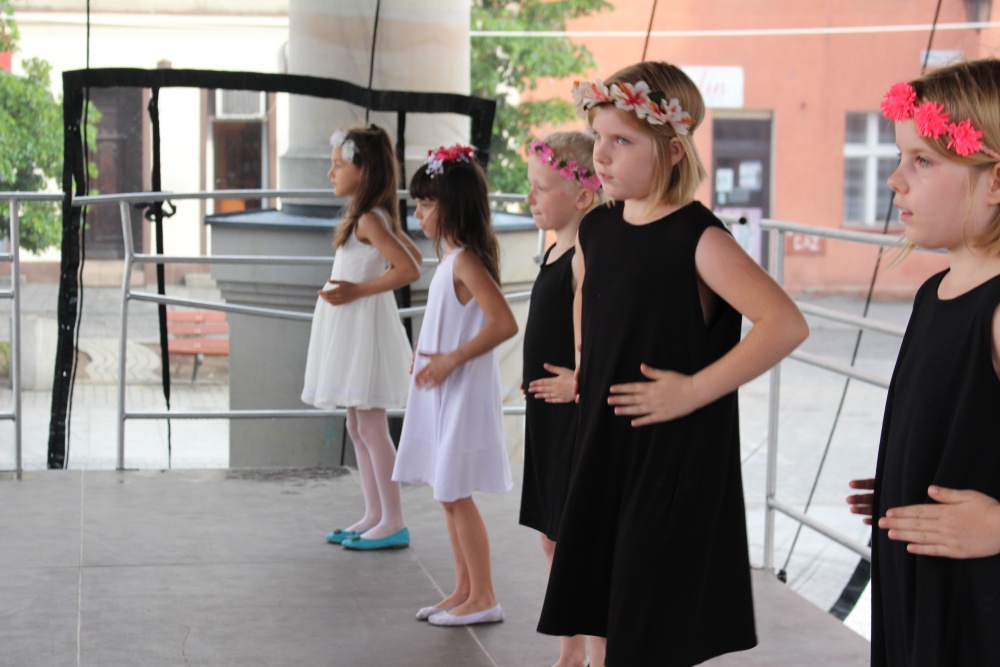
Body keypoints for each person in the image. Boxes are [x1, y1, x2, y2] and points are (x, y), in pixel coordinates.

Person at [536, 62, 809, 666]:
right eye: (598, 136)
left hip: (669, 457)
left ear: (673, 151)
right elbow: (586, 293)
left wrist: (693, 390)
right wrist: (585, 367)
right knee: (607, 602)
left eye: (622, 141)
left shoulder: (698, 238)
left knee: (651, 616)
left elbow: (785, 323)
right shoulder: (598, 227)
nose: (601, 154)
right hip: (606, 444)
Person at [846, 59, 1000, 666]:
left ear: (995, 182)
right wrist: (904, 479)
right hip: (922, 588)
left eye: (923, 161)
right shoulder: (934, 293)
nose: (895, 180)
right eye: (899, 157)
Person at [392, 144, 518, 627]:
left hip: (462, 392)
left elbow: (504, 323)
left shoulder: (465, 261)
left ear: (454, 206)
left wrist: (451, 359)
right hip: (445, 388)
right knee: (447, 493)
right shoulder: (451, 261)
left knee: (456, 492)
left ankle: (484, 596)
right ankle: (464, 590)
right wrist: (429, 352)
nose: (418, 214)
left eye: (426, 204)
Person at [301, 125, 422, 551]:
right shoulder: (370, 216)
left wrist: (357, 290)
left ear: (363, 169)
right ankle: (375, 513)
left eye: (338, 165)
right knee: (357, 425)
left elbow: (409, 269)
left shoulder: (370, 219)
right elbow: (412, 255)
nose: (330, 173)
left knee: (371, 426)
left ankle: (394, 520)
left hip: (361, 328)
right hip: (351, 326)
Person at [519, 132, 603, 667]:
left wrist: (580, 380)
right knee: (552, 538)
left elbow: (598, 335)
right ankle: (569, 650)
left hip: (572, 416)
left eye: (542, 188)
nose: (530, 198)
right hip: (546, 415)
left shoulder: (585, 256)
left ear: (582, 196)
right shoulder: (553, 248)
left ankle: (595, 654)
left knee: (576, 543)